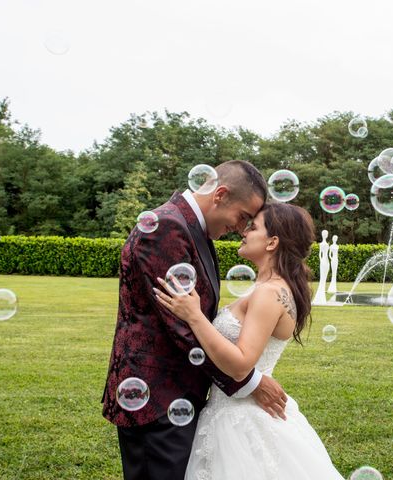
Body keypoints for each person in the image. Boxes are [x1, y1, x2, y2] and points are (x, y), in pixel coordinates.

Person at [102, 160, 288, 480]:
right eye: (243, 216)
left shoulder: (193, 229)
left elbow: (200, 314)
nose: (243, 228)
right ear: (220, 194)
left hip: (177, 394)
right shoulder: (166, 227)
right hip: (156, 399)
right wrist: (249, 381)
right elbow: (183, 327)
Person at [155, 202, 345, 479]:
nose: (244, 231)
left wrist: (194, 316)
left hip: (241, 420)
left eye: (253, 227)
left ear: (272, 242)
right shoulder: (273, 288)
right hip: (234, 408)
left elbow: (242, 364)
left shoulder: (269, 293)